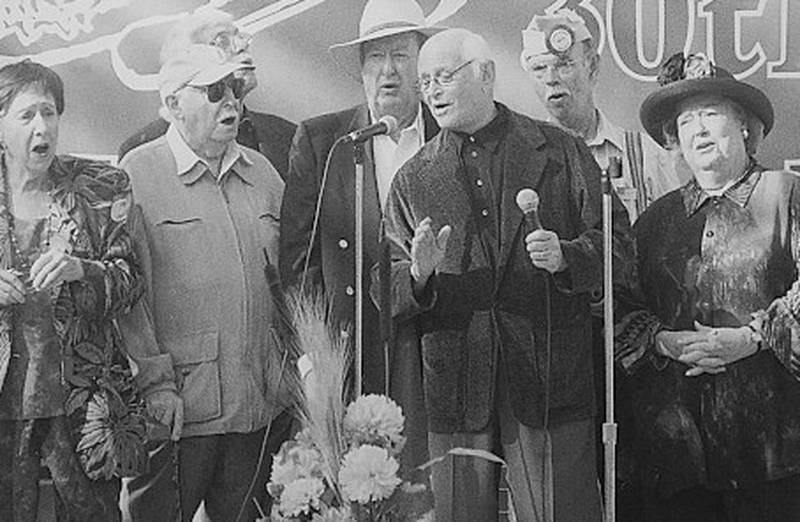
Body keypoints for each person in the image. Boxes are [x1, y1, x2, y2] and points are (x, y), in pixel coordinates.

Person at [380, 28, 633, 521]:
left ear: (486, 75)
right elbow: (383, 285)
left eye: (443, 77)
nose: (430, 91)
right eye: (424, 79)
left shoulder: (560, 151)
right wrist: (417, 274)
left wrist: (567, 257)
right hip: (456, 387)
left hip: (549, 379)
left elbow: (619, 248)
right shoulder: (413, 177)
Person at [615, 52, 800, 521]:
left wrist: (753, 338)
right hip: (678, 461)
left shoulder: (787, 196)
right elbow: (622, 307)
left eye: (711, 114)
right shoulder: (654, 221)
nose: (698, 129)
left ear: (744, 125)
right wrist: (662, 340)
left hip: (775, 454)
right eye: (686, 120)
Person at [118, 45, 290, 521]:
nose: (229, 102)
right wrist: (154, 385)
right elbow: (127, 300)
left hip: (258, 408)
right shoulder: (136, 174)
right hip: (177, 413)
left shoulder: (264, 175)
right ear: (174, 104)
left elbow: (290, 286)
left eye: (233, 89)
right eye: (213, 92)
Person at [279, 0, 441, 472]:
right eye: (375, 57)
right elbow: (298, 261)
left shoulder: (449, 137)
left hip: (431, 344)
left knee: (425, 484)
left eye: (400, 56)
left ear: (422, 65)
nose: (387, 72)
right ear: (360, 69)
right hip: (349, 349)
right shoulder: (324, 141)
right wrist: (312, 359)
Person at [0, 60, 146, 521]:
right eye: (26, 115)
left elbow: (131, 280)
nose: (42, 127)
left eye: (50, 112)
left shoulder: (100, 187)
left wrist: (80, 270)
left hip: (82, 405)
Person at [520, 7, 687, 223]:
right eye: (539, 68)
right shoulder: (524, 161)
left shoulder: (645, 155)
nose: (551, 79)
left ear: (593, 67)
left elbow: (675, 238)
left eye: (564, 65)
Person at [117, 7, 296, 180]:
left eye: (241, 37)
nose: (242, 46)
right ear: (185, 61)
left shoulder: (286, 136)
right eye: (223, 40)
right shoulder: (139, 156)